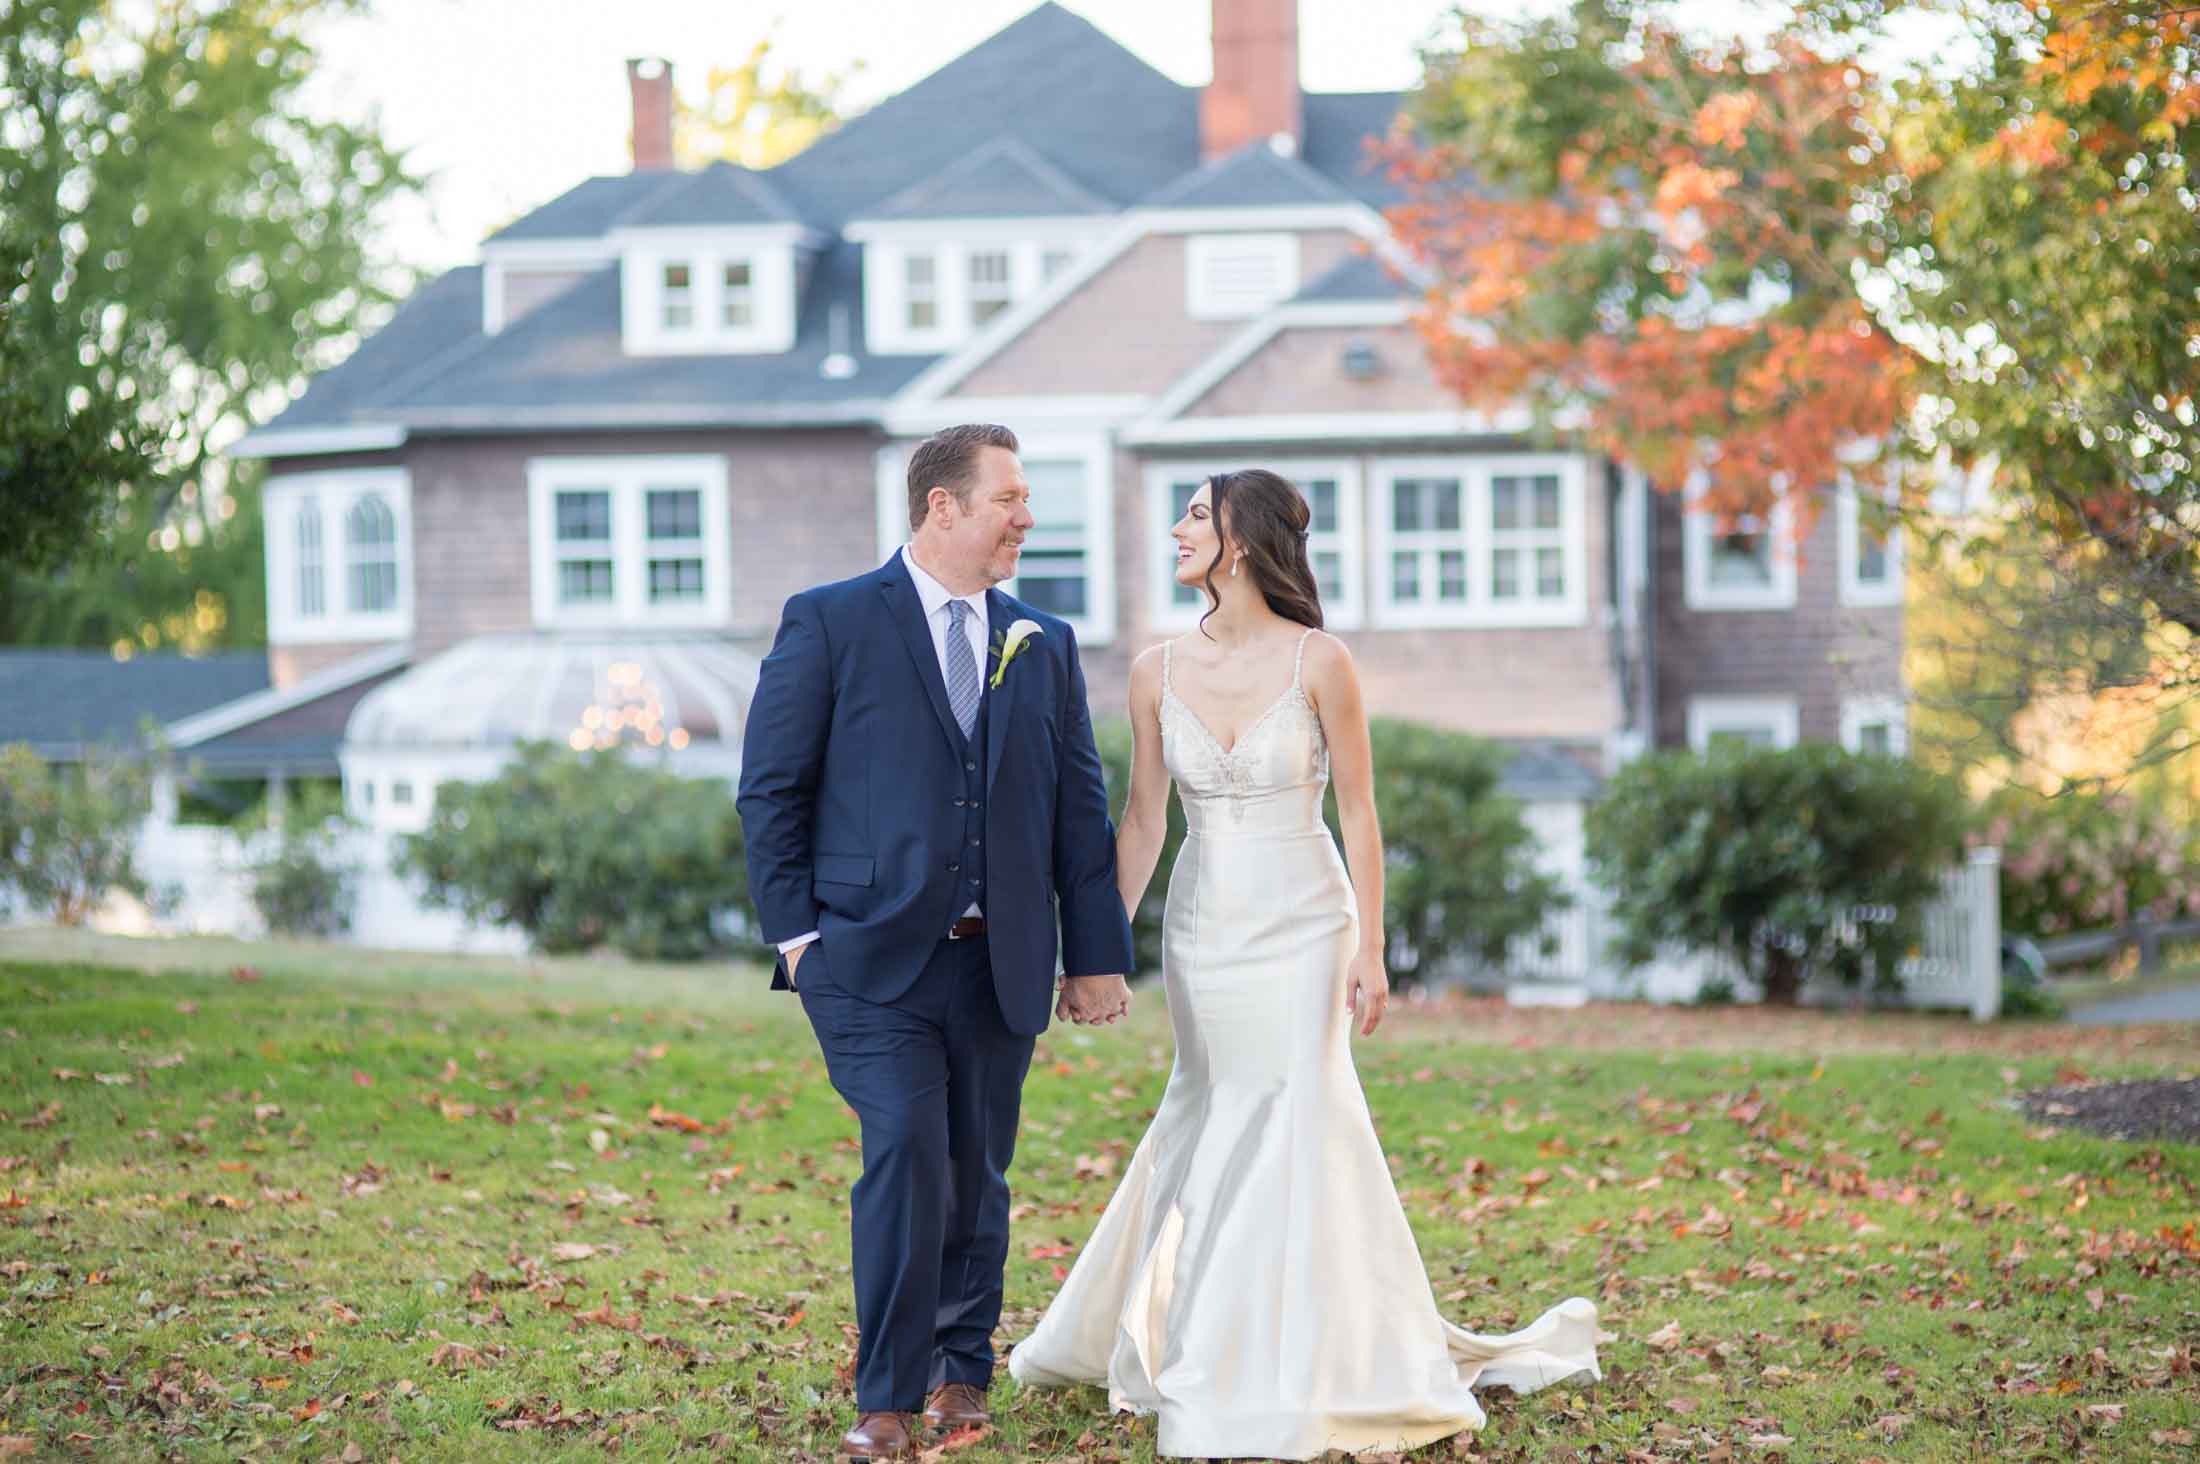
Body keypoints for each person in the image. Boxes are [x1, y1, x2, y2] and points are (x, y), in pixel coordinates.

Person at [1005, 468, 1601, 1459]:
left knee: (1294, 1113)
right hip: (1203, 927)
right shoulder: (1153, 669)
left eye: (1195, 514)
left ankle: (1277, 1360)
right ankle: (1192, 1332)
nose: (1177, 529)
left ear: (1239, 538)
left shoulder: (1321, 662)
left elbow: (1359, 811)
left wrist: (1370, 945)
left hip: (1305, 922)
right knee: (1209, 1108)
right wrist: (1097, 946)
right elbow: (1146, 816)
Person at [736, 423, 1136, 1461]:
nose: (1027, 517)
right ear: (942, 507)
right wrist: (796, 941)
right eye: (1009, 497)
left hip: (996, 961)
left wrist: (1094, 954)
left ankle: (963, 1371)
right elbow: (771, 791)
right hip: (864, 961)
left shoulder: (1039, 641)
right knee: (907, 1152)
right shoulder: (828, 622)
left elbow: (1076, 811)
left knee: (976, 1170)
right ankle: (886, 1395)